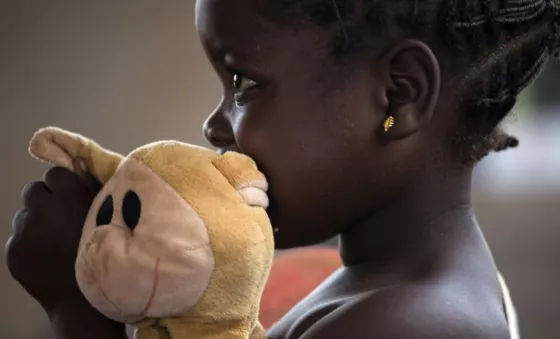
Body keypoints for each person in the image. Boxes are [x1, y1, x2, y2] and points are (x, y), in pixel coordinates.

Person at [6, 0, 559, 338]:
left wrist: (75, 308)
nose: (213, 127)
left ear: (397, 96)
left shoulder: (416, 326)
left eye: (243, 83)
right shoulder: (380, 286)